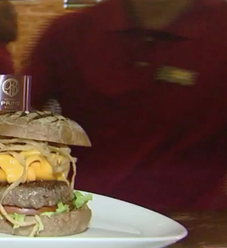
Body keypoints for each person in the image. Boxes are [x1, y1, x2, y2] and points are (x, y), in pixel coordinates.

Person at [23, 0, 227, 212]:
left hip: (197, 230)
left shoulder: (220, 29)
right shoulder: (69, 32)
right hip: (86, 221)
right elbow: (5, 109)